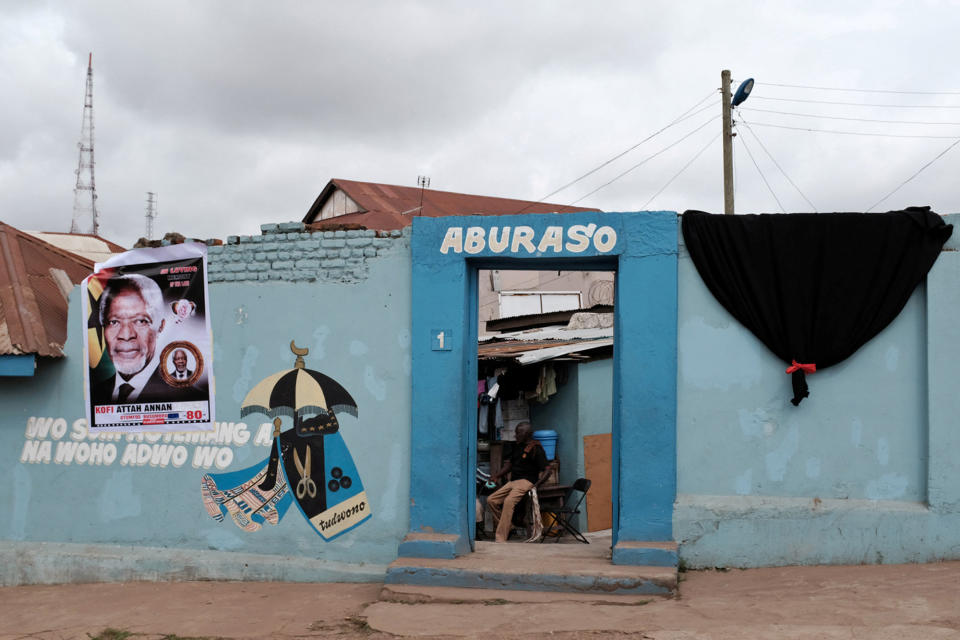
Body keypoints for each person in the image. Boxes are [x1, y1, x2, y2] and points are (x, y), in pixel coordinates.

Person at [91, 274, 201, 404]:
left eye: (140, 321)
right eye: (114, 322)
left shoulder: (188, 398)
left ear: (160, 326)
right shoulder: (95, 395)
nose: (126, 335)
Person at [486, 422, 553, 542]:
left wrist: (537, 485)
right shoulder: (518, 446)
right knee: (491, 500)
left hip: (526, 481)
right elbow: (510, 465)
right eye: (516, 432)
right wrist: (496, 476)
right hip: (514, 481)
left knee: (509, 501)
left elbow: (548, 470)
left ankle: (500, 538)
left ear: (527, 434)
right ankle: (510, 527)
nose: (516, 435)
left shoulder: (536, 449)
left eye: (519, 433)